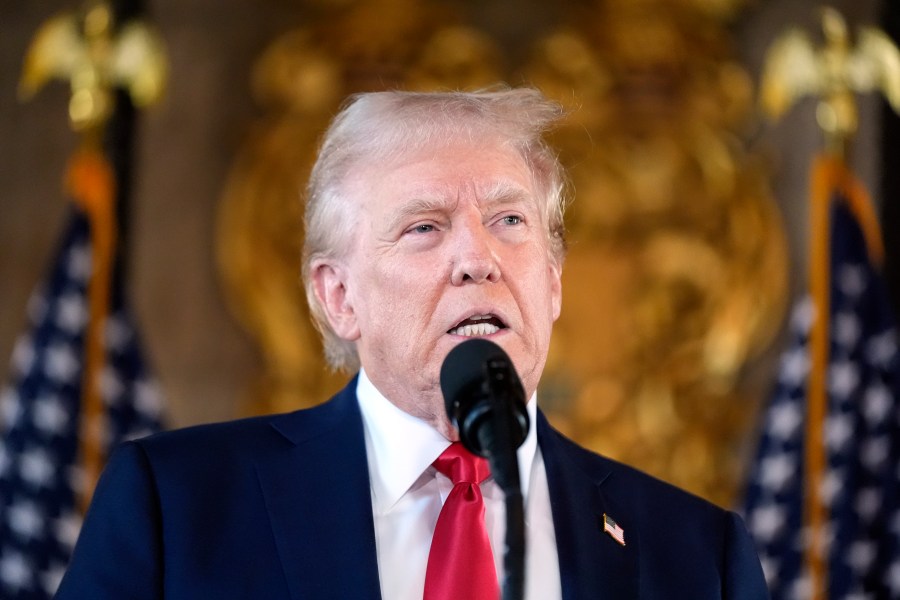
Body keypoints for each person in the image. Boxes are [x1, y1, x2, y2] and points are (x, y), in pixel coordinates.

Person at [55, 87, 768, 599]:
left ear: (552, 282)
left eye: (510, 220)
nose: (477, 258)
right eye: (425, 226)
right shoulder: (177, 507)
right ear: (339, 297)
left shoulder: (697, 553)